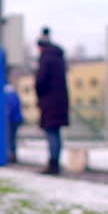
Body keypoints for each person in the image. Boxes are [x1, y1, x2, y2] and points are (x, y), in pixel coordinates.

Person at [35, 30, 69, 175]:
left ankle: (53, 164)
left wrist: (39, 94)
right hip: (60, 102)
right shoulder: (59, 58)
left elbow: (41, 81)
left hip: (50, 102)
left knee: (52, 133)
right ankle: (55, 161)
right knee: (56, 132)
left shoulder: (46, 59)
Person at [5, 83, 24, 164]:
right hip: (16, 119)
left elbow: (10, 108)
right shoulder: (14, 95)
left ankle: (11, 155)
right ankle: (12, 154)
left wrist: (7, 115)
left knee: (10, 137)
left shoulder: (9, 96)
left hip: (12, 120)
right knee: (11, 137)